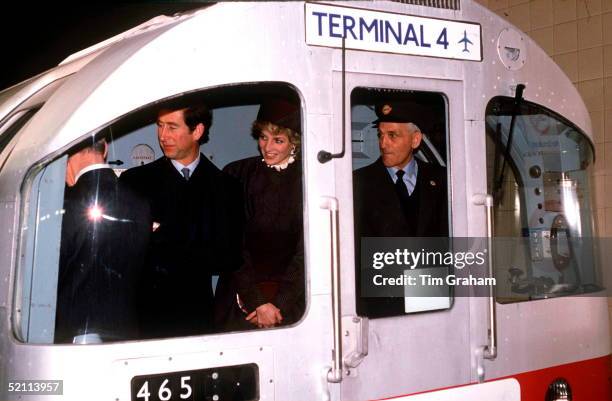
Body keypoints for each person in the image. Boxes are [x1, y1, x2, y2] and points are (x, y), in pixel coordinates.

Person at [120, 101, 242, 338]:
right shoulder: (135, 181)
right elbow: (124, 250)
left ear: (197, 131)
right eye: (160, 126)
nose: (163, 135)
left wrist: (162, 233)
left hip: (197, 317)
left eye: (172, 127)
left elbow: (228, 257)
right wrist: (195, 237)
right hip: (144, 317)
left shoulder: (226, 187)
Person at [353, 101, 448, 317]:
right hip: (381, 300)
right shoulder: (358, 183)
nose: (383, 143)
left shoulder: (441, 179)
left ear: (415, 140)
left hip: (429, 292)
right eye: (380, 135)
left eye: (393, 135)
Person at [55, 139, 151, 343]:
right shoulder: (141, 203)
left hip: (74, 336)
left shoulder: (65, 205)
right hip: (127, 333)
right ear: (105, 148)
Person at [221, 98, 304, 329]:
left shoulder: (311, 178)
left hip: (295, 302)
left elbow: (307, 250)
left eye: (278, 140)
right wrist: (257, 301)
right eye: (263, 138)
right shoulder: (236, 173)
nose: (267, 147)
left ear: (294, 142)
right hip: (239, 299)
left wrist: (280, 303)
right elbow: (232, 244)